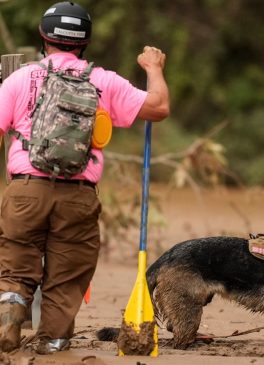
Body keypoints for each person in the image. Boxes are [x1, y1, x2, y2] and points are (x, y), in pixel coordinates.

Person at [0, 1, 169, 355]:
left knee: (16, 262)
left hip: (25, 191)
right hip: (79, 195)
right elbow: (158, 108)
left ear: (44, 37)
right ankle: (53, 342)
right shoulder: (102, 80)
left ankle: (8, 325)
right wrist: (153, 68)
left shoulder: (21, 77)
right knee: (67, 275)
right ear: (84, 42)